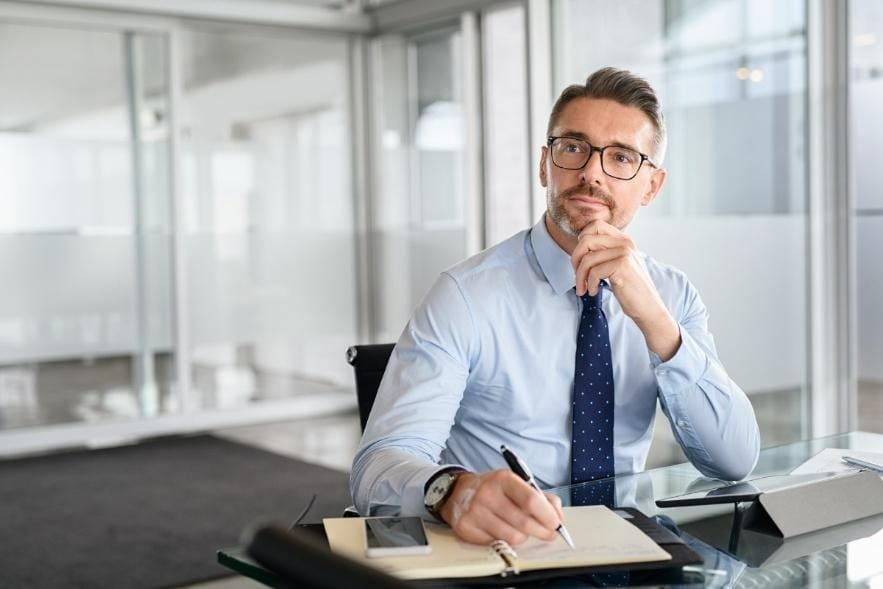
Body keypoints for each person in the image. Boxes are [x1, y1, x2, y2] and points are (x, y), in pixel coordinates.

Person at [350, 67, 760, 547]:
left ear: (651, 186)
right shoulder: (466, 295)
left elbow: (733, 460)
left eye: (622, 157)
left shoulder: (671, 294)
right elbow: (378, 466)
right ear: (545, 164)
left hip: (628, 549)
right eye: (574, 148)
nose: (591, 172)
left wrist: (654, 319)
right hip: (507, 557)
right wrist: (453, 491)